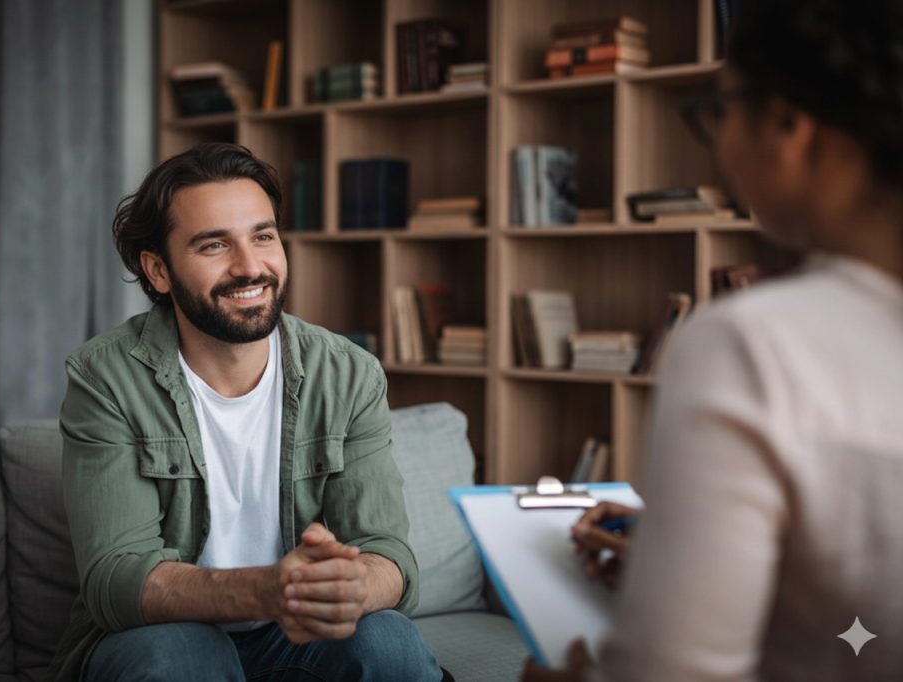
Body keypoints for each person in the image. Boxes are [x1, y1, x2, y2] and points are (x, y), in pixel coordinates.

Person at [524, 0, 903, 679]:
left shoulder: (754, 345)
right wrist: (683, 566)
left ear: (788, 125)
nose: (720, 142)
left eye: (719, 110)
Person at [47, 142, 443, 682]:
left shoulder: (349, 373)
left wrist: (354, 586)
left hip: (293, 640)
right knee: (182, 658)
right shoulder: (106, 378)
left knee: (389, 642)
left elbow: (387, 554)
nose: (251, 266)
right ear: (158, 270)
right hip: (163, 637)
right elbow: (116, 580)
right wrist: (265, 589)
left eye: (263, 236)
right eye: (214, 245)